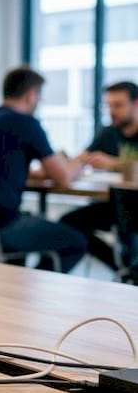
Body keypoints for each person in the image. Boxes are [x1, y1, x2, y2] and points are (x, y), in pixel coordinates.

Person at [0, 66, 87, 272]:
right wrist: (82, 161)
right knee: (75, 243)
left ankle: (18, 282)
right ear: (31, 94)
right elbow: (64, 177)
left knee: (29, 225)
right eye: (39, 97)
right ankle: (34, 282)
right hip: (0, 227)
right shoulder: (26, 124)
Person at [61, 82, 138, 272]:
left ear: (136, 104)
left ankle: (130, 268)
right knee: (69, 224)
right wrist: (66, 163)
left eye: (118, 105)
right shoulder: (108, 132)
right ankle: (121, 268)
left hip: (134, 206)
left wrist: (114, 163)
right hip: (115, 205)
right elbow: (84, 156)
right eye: (109, 105)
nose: (112, 111)